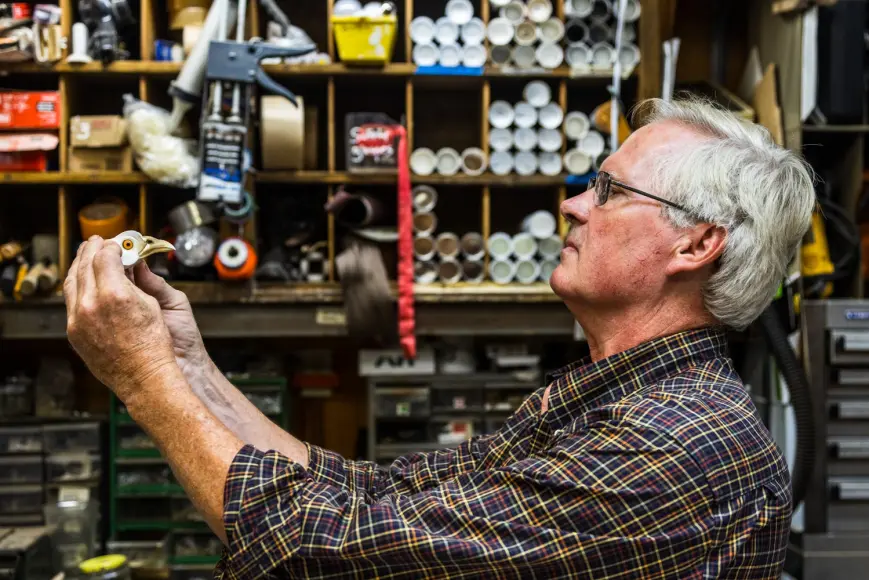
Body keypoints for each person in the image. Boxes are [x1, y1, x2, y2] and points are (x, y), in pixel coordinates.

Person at [64, 97, 815, 579]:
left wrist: (142, 379)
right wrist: (188, 365)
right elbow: (376, 501)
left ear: (695, 246)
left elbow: (309, 550)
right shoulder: (614, 399)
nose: (573, 204)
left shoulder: (670, 444)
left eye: (611, 191)